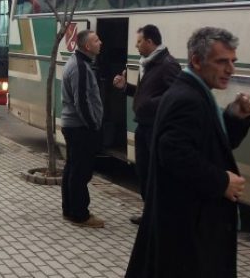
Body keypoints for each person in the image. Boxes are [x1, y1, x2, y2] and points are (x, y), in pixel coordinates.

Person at [125, 27, 250, 278]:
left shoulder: (196, 92)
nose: (230, 69)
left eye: (233, 61)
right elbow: (173, 152)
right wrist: (222, 181)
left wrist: (234, 117)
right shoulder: (188, 97)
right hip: (189, 232)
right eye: (221, 61)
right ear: (196, 60)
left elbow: (208, 143)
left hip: (188, 228)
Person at [112, 24, 180, 224]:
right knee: (143, 172)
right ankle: (150, 212)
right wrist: (126, 88)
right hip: (143, 126)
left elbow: (176, 97)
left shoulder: (168, 65)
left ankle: (160, 216)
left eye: (139, 41)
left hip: (155, 128)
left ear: (150, 42)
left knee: (155, 174)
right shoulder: (148, 63)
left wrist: (148, 104)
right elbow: (145, 94)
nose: (136, 45)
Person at [60, 29, 105, 228]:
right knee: (80, 172)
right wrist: (93, 125)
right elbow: (82, 102)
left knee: (72, 168)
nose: (100, 42)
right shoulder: (80, 67)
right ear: (88, 46)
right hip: (80, 127)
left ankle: (69, 210)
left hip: (75, 126)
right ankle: (80, 214)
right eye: (96, 40)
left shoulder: (80, 63)